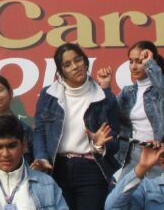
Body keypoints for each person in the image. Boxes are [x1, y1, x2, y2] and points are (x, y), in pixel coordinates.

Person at [32, 42, 121, 210]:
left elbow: (115, 141)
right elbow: (40, 131)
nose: (75, 66)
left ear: (85, 62)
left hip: (91, 169)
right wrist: (42, 157)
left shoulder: (104, 97)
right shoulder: (48, 95)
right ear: (61, 71)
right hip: (56, 168)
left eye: (78, 60)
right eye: (67, 64)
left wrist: (99, 145)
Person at [97, 41, 164, 178]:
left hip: (160, 155)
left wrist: (150, 64)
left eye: (139, 61)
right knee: (123, 191)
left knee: (158, 192)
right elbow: (107, 118)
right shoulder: (127, 92)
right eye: (131, 61)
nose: (134, 66)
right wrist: (105, 87)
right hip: (133, 154)